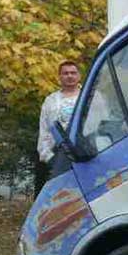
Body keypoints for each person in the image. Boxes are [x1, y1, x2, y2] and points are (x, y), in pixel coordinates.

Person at [35, 61, 83, 193]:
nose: (69, 76)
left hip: (86, 153)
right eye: (65, 73)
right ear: (60, 76)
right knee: (63, 195)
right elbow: (44, 130)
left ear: (79, 76)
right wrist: (48, 157)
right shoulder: (50, 101)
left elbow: (102, 123)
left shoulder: (91, 97)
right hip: (59, 156)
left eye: (73, 73)